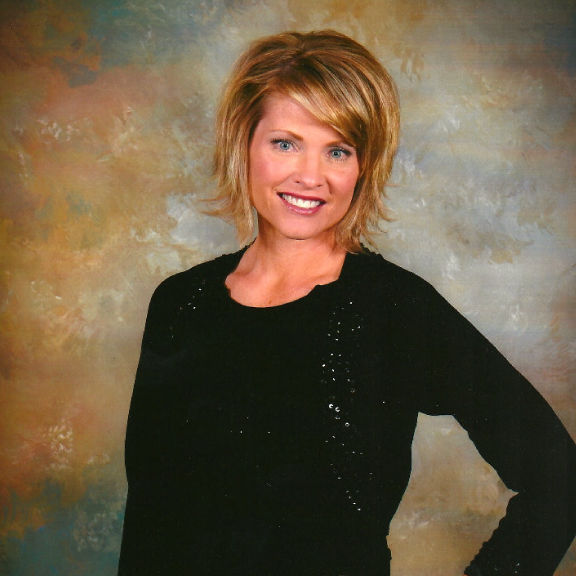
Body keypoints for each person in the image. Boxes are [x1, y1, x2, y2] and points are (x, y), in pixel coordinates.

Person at [118, 30, 576, 576]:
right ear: (244, 143)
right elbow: (149, 522)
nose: (310, 176)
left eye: (338, 151)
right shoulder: (180, 304)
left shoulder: (395, 309)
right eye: (285, 143)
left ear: (364, 166)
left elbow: (559, 479)